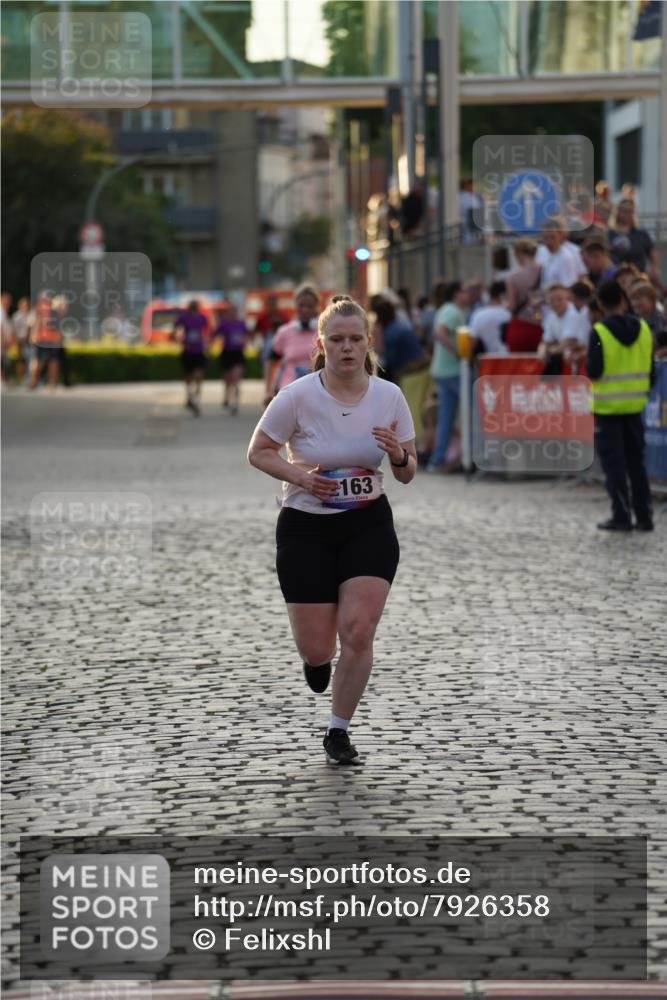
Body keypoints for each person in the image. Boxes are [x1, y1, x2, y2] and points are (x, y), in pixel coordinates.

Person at [247, 295, 417, 765]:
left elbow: (407, 471)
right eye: (337, 340)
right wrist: (302, 477)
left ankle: (338, 731)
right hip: (305, 526)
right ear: (322, 344)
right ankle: (316, 662)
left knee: (359, 630)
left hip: (368, 522)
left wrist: (399, 456)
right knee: (318, 646)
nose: (347, 348)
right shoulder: (297, 396)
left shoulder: (389, 395)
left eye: (355, 339)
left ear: (368, 342)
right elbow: (258, 451)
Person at [587, 280, 654, 532]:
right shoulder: (645, 329)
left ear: (601, 304)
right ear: (624, 300)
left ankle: (622, 516)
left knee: (615, 467)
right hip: (635, 407)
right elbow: (650, 369)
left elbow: (594, 369)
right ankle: (645, 517)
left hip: (608, 410)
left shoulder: (599, 333)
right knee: (637, 464)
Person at [427, 281, 468, 473]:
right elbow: (440, 332)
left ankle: (438, 458)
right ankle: (470, 457)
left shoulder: (445, 309)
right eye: (465, 291)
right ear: (457, 293)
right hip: (453, 371)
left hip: (441, 370)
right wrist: (457, 352)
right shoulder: (453, 312)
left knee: (446, 417)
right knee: (472, 412)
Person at [373, 297, 429, 440]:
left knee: (412, 407)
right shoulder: (398, 326)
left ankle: (416, 441)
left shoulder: (391, 333)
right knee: (417, 406)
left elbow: (390, 360)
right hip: (421, 369)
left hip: (411, 373)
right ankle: (420, 440)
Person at [264, 283, 319, 405]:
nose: (305, 310)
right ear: (295, 306)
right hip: (289, 394)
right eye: (301, 305)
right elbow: (271, 361)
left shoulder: (324, 332)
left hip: (317, 394)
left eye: (309, 306)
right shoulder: (284, 332)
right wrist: (268, 391)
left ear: (316, 307)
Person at [504, 238, 544, 352]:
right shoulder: (544, 270)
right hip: (540, 324)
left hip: (520, 324)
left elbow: (512, 305)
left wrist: (504, 305)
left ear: (518, 254)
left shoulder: (513, 277)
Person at [608, 199, 659, 279]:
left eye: (630, 211)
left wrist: (654, 269)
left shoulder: (641, 234)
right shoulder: (609, 234)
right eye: (624, 210)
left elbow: (653, 253)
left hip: (639, 276)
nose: (627, 214)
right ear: (617, 212)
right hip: (616, 278)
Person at [174, 299, 209, 416]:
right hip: (188, 351)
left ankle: (195, 398)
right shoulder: (183, 317)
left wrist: (206, 344)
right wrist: (179, 340)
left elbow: (207, 331)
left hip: (198, 350)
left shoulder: (202, 318)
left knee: (198, 375)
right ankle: (189, 396)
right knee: (188, 376)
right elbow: (177, 329)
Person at [214, 303, 250, 414]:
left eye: (235, 311)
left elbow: (247, 335)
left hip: (238, 354)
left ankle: (235, 403)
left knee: (236, 378)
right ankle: (226, 397)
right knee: (227, 379)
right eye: (231, 311)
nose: (233, 313)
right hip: (227, 353)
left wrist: (245, 341)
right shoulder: (224, 324)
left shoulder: (241, 323)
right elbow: (215, 334)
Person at [538, 285, 579, 368]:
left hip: (579, 359)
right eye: (552, 300)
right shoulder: (551, 316)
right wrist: (541, 351)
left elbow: (569, 342)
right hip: (566, 362)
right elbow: (546, 341)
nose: (556, 303)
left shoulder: (574, 313)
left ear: (567, 298)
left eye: (559, 299)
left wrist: (548, 351)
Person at [29, 292, 62, 389]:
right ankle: (51, 382)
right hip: (52, 338)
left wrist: (32, 335)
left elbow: (34, 323)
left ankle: (34, 381)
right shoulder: (54, 310)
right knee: (53, 360)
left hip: (41, 338)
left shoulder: (38, 309)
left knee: (38, 360)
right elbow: (58, 325)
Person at [538, 219, 583, 288]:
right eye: (545, 238)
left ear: (560, 236)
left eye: (552, 237)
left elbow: (568, 286)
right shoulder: (539, 252)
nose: (549, 241)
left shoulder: (566, 257)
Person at [470, 281, 511, 355]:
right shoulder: (510, 314)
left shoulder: (478, 315)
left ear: (490, 295)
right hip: (510, 359)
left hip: (489, 360)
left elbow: (472, 343)